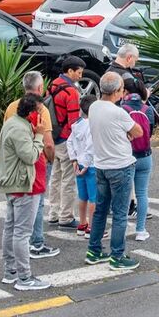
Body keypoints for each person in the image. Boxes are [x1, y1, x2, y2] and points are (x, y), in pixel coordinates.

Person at [84, 72, 143, 270]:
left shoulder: (93, 107)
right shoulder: (118, 113)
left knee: (101, 210)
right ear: (117, 91)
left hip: (101, 165)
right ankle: (117, 256)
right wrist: (125, 133)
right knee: (119, 214)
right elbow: (138, 131)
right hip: (121, 165)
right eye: (121, 91)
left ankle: (94, 250)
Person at [0, 94, 51, 291]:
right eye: (39, 112)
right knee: (21, 233)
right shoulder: (20, 129)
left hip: (14, 184)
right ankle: (24, 278)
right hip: (24, 185)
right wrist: (39, 136)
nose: (41, 116)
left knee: (10, 229)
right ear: (30, 113)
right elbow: (29, 156)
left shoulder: (12, 122)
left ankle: (10, 272)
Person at [3, 71, 59, 258]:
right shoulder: (41, 108)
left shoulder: (12, 106)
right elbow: (48, 142)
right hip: (34, 161)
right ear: (40, 88)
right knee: (37, 203)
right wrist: (51, 158)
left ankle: (11, 263)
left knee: (11, 217)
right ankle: (36, 242)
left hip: (13, 165)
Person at [46, 56, 84, 229]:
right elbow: (74, 122)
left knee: (55, 177)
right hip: (66, 139)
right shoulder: (72, 92)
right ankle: (66, 217)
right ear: (70, 71)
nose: (80, 76)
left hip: (53, 137)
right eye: (78, 72)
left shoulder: (53, 85)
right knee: (68, 180)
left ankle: (53, 214)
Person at [118, 86, 154, 242]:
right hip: (145, 155)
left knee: (125, 194)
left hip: (127, 156)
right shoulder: (148, 110)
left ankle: (122, 229)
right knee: (142, 193)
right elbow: (150, 132)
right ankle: (141, 230)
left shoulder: (122, 109)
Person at [65, 99, 96, 237]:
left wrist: (74, 160)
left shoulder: (77, 125)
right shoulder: (93, 126)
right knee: (94, 198)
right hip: (92, 165)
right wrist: (87, 163)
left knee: (83, 196)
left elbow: (70, 142)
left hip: (79, 164)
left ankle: (82, 223)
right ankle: (92, 226)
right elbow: (91, 147)